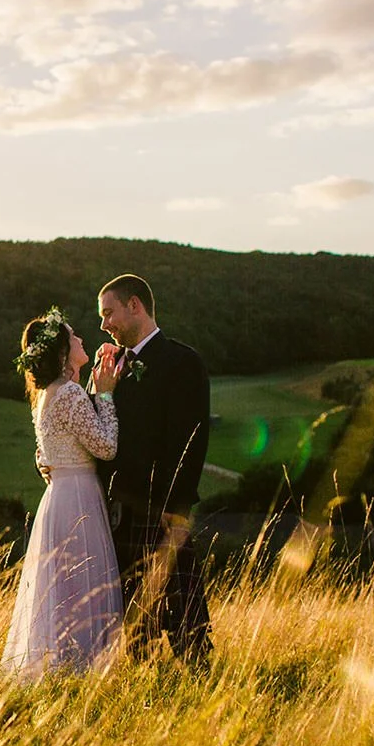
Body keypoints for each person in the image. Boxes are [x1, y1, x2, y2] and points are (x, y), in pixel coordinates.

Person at [94, 273, 214, 667]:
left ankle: (201, 686)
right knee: (135, 623)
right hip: (120, 513)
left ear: (135, 306)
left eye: (108, 313)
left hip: (162, 511)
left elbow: (191, 440)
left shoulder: (182, 361)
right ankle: (146, 697)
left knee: (184, 618)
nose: (103, 324)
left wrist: (177, 505)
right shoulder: (112, 369)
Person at [0, 307, 125, 680]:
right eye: (74, 337)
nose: (82, 339)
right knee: (83, 588)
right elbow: (105, 447)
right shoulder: (69, 393)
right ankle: (82, 670)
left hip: (59, 497)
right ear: (60, 351)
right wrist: (105, 396)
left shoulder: (47, 394)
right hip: (79, 499)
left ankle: (62, 671)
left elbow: (47, 451)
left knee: (64, 590)